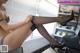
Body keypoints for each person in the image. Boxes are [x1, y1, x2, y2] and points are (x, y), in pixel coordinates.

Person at [0, 0, 74, 52]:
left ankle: (54, 43)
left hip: (8, 40)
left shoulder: (2, 8)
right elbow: (6, 27)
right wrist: (25, 21)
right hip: (4, 43)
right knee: (33, 19)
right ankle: (60, 20)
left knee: (37, 23)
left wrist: (23, 25)